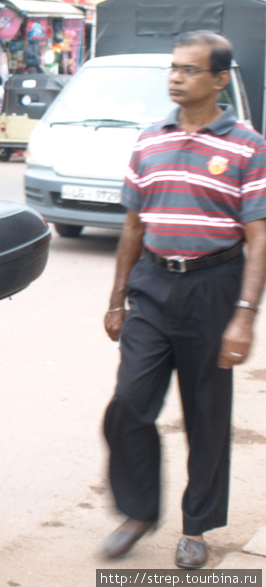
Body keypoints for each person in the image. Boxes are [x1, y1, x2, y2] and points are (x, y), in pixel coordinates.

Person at [100, 31, 266, 570]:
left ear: (219, 79)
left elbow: (259, 237)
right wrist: (117, 298)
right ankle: (138, 510)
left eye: (189, 70)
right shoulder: (150, 140)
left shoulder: (247, 144)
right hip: (153, 282)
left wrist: (244, 316)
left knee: (206, 414)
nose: (176, 77)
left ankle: (196, 526)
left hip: (213, 288)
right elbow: (131, 225)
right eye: (173, 68)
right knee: (129, 402)